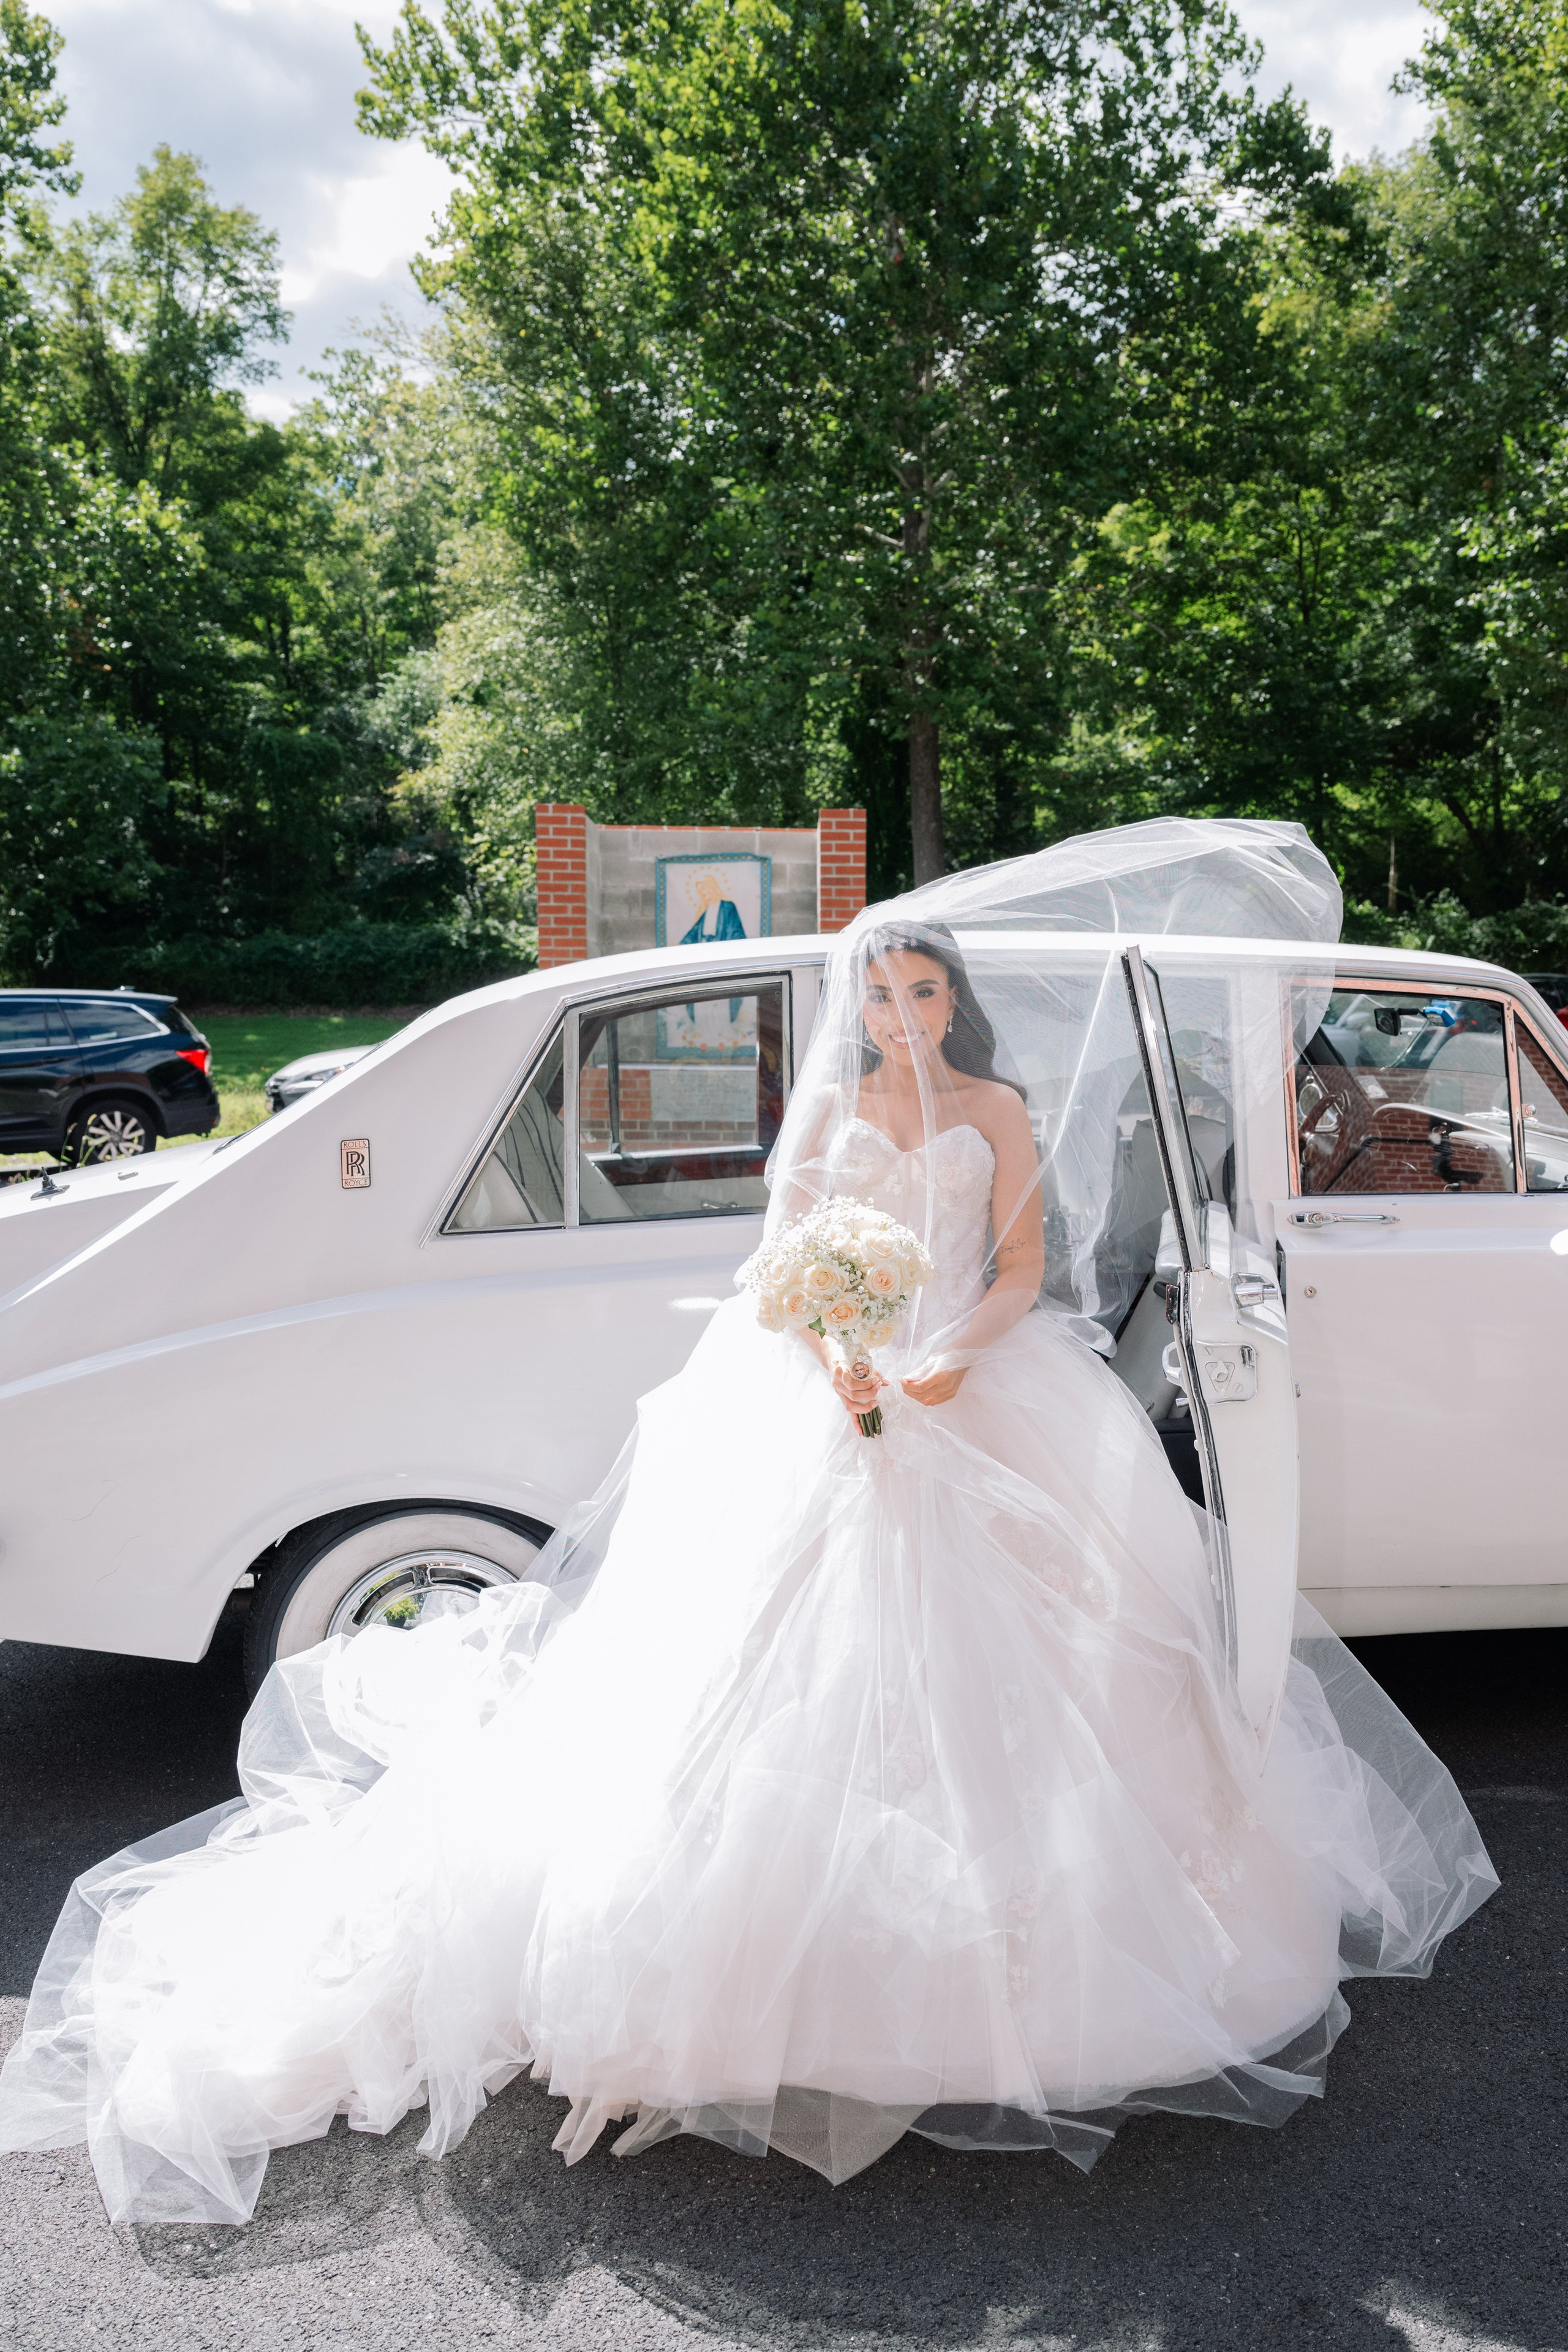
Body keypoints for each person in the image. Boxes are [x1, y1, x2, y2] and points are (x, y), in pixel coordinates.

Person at [0, 840, 1496, 2225]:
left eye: (927, 991)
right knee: (759, 1672)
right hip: (818, 1391)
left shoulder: (995, 1109)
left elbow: (1021, 1267)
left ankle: (1034, 1968)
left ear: (954, 1003)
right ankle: (722, 1981)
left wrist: (946, 1357)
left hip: (970, 1385)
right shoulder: (831, 1107)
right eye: (886, 991)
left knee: (1047, 1666)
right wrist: (840, 1352)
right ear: (861, 1003)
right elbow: (784, 1256)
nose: (906, 1012)